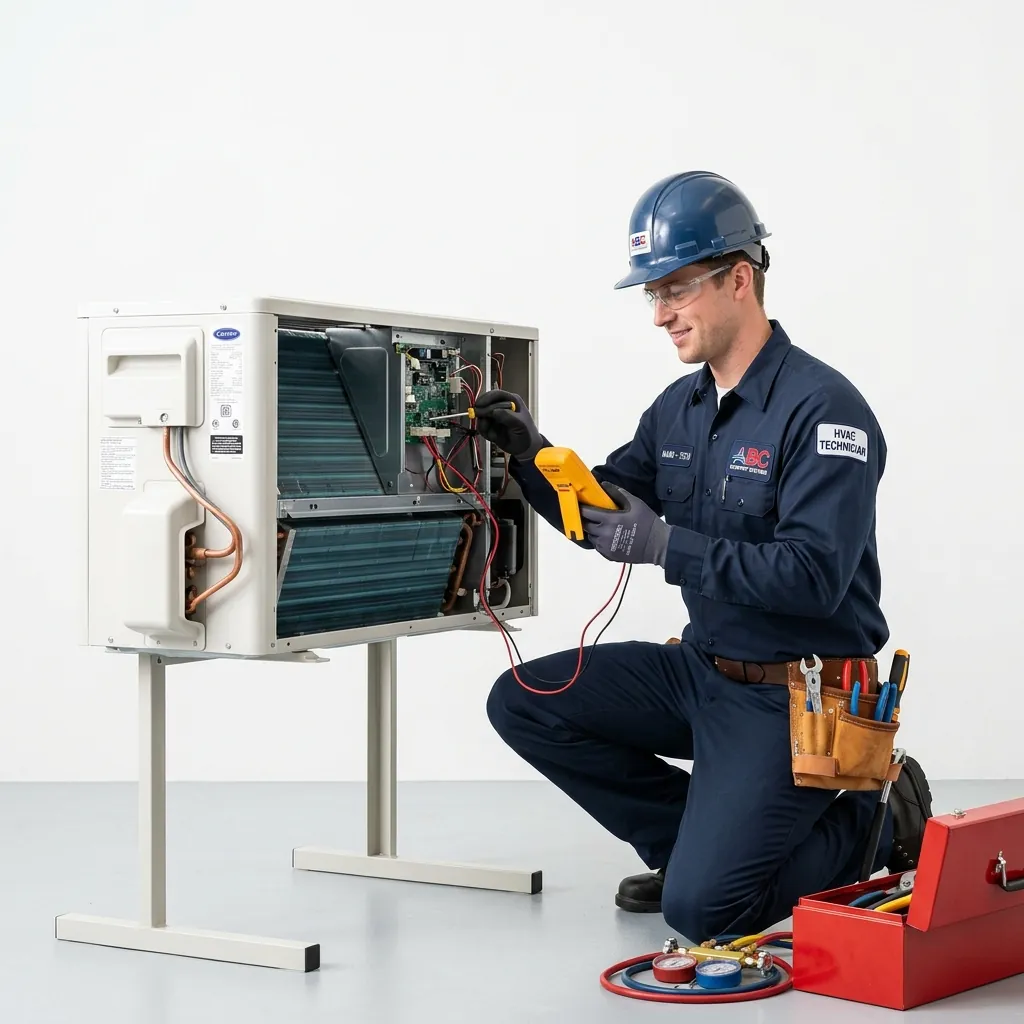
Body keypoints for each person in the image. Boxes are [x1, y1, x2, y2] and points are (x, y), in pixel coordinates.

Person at [477, 170, 933, 941]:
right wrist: (529, 456)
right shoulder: (679, 409)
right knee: (522, 701)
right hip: (700, 673)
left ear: (739, 279)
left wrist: (667, 545)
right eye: (652, 294)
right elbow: (604, 515)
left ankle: (878, 823)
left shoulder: (825, 411)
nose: (660, 314)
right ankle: (683, 844)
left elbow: (815, 578)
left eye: (676, 289)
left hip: (796, 699)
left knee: (706, 913)